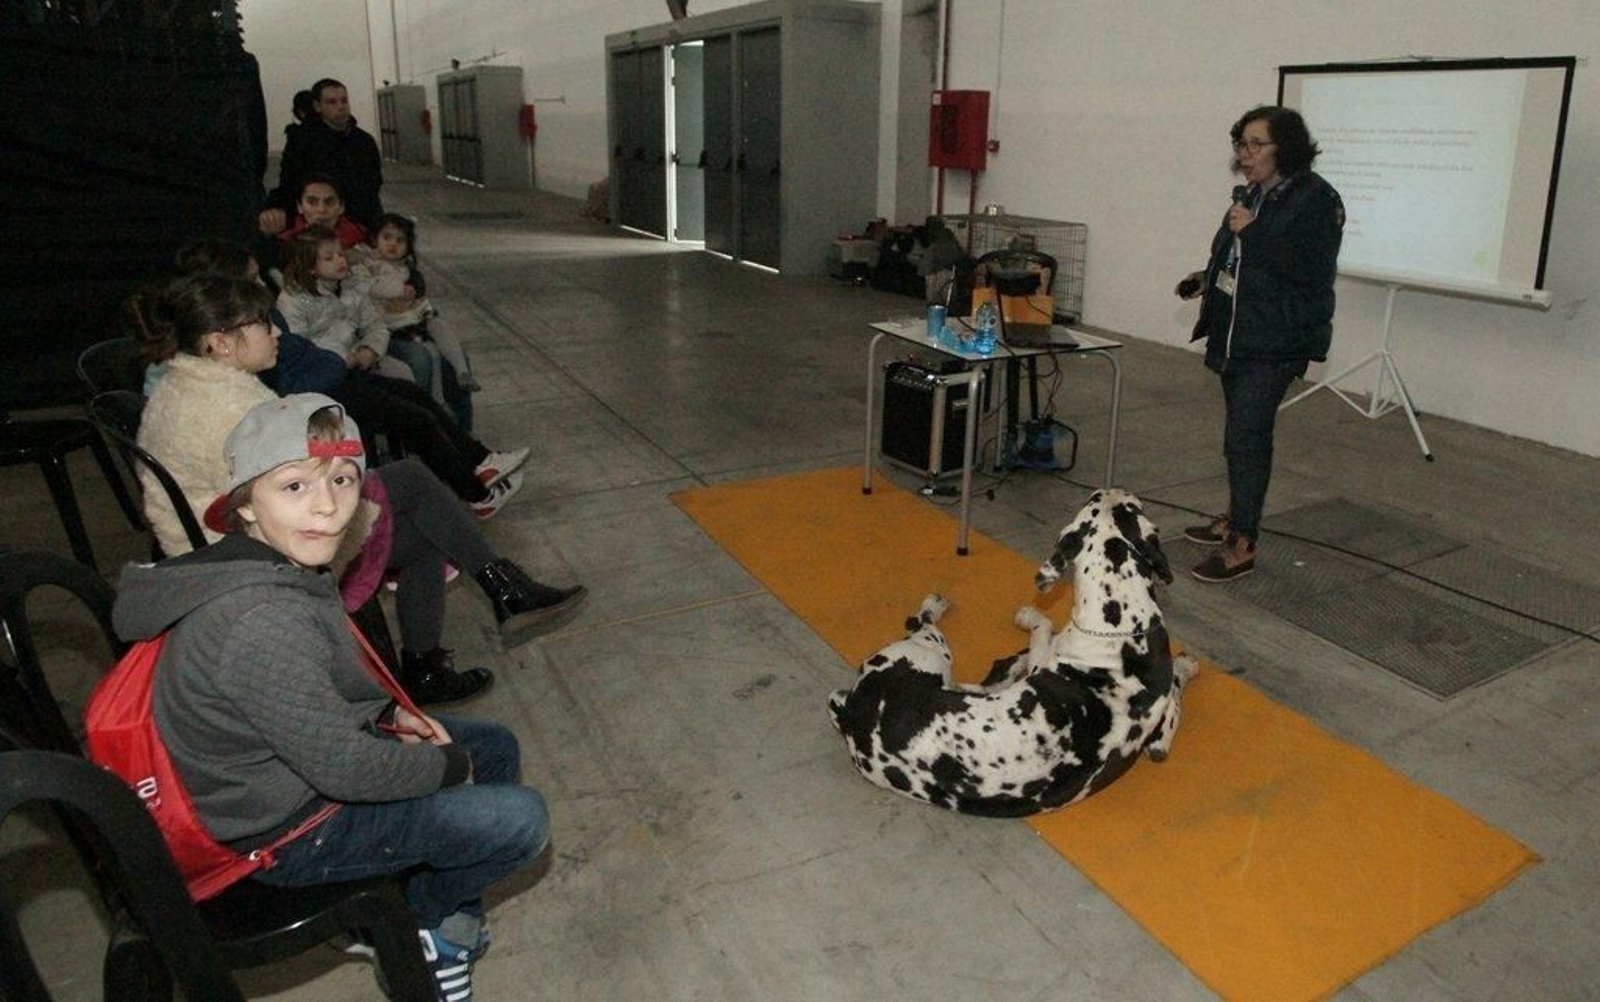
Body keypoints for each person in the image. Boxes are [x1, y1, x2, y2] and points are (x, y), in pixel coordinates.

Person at [112, 394, 549, 1001]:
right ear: (246, 505)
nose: (327, 505)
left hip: (282, 776)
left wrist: (389, 712)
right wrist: (447, 766)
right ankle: (421, 926)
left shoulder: (266, 561)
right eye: (294, 486)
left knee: (495, 746)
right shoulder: (260, 618)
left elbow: (319, 688)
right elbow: (349, 770)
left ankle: (439, 919)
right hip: (280, 833)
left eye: (342, 479)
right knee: (520, 821)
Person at [125, 274, 587, 704]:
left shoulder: (186, 385)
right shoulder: (231, 407)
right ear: (219, 342)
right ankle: (494, 597)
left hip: (222, 543)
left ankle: (452, 642)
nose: (277, 332)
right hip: (251, 560)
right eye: (263, 323)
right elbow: (307, 500)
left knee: (426, 524)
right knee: (414, 487)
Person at [173, 237, 528, 516]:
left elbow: (304, 351)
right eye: (252, 278)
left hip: (334, 378)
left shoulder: (258, 320)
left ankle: (481, 461)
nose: (261, 284)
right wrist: (332, 362)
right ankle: (477, 494)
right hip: (323, 397)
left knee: (413, 394)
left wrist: (339, 359)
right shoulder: (254, 336)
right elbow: (289, 384)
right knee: (415, 420)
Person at [1175, 105, 1344, 582]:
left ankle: (1242, 542)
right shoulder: (1251, 194)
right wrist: (1205, 277)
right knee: (1239, 437)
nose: (1245, 154)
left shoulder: (1316, 199)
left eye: (1256, 144)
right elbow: (1235, 256)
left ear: (1284, 148)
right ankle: (1236, 516)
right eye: (1240, 144)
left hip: (1277, 339)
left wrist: (1254, 231)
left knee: (1248, 438)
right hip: (1238, 334)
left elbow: (1308, 270)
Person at [356, 212, 478, 430]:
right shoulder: (369, 263)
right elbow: (372, 287)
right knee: (426, 356)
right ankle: (433, 409)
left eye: (400, 240)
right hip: (390, 327)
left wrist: (415, 295)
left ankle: (462, 375)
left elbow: (416, 292)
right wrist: (401, 291)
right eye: (387, 237)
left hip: (415, 318)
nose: (393, 244)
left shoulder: (406, 267)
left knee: (439, 329)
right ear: (375, 239)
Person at [260, 77, 384, 232]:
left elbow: (373, 183)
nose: (341, 107)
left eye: (344, 101)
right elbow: (290, 182)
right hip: (317, 218)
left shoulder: (364, 141)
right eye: (332, 102)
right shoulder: (302, 141)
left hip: (360, 219)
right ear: (317, 106)